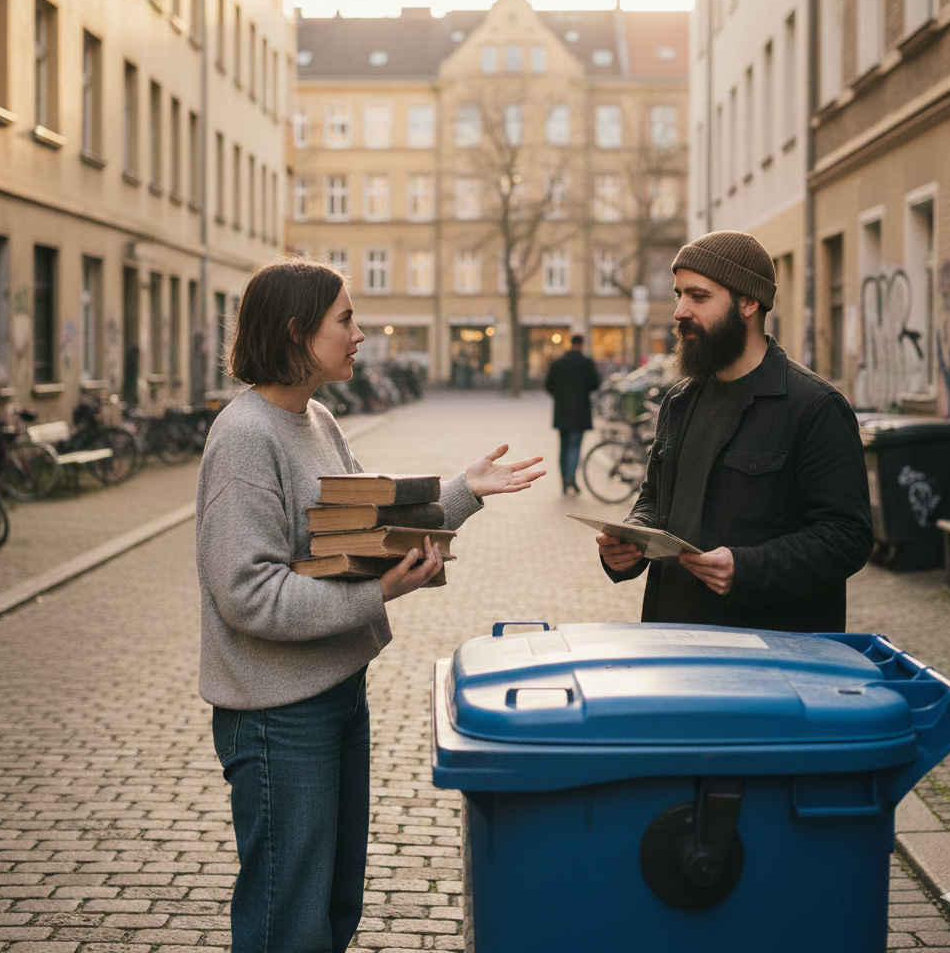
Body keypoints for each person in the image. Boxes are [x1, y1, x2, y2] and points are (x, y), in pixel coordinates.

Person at [195, 259, 544, 953]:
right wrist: (377, 592)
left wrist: (464, 490)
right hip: (275, 716)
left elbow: (366, 530)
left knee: (331, 909)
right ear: (298, 331)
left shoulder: (315, 418)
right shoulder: (244, 438)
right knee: (285, 921)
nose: (361, 335)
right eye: (346, 320)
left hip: (333, 693)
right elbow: (247, 595)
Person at [596, 230, 872, 632]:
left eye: (699, 296)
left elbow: (847, 538)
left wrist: (748, 569)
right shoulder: (679, 402)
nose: (679, 311)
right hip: (674, 639)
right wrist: (633, 538)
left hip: (771, 658)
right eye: (678, 295)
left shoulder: (815, 407)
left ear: (748, 301)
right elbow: (655, 499)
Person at [545, 334, 601, 494]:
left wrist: (560, 396)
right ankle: (571, 477)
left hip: (562, 411)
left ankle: (564, 480)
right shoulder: (586, 363)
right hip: (580, 411)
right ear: (581, 344)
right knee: (575, 446)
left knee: (563, 447)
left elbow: (548, 385)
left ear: (571, 344)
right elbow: (595, 384)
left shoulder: (558, 363)